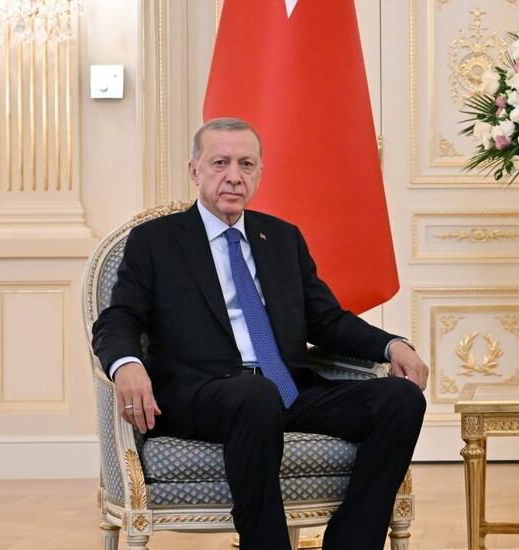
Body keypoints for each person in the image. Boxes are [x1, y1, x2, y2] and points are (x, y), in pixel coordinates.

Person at [92, 117, 429, 550]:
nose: (234, 176)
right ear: (195, 171)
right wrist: (126, 364)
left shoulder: (283, 238)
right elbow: (118, 318)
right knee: (254, 395)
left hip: (288, 390)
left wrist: (391, 344)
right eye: (220, 163)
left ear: (260, 172)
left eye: (246, 164)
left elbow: (327, 320)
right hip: (204, 394)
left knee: (401, 399)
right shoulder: (155, 242)